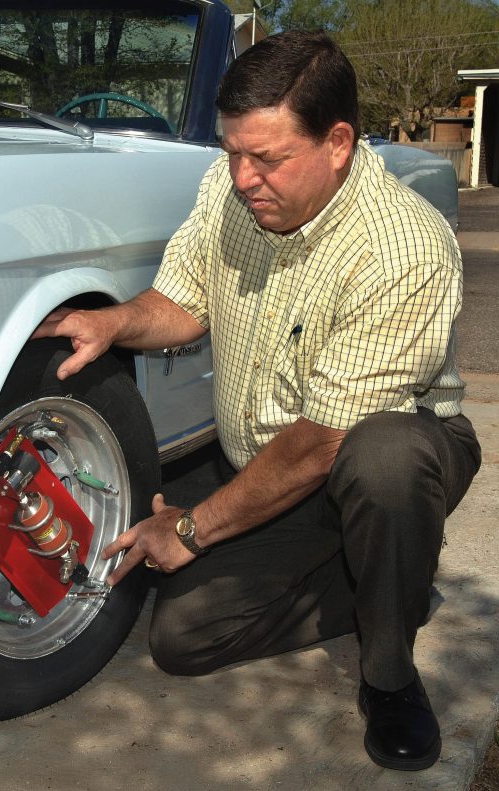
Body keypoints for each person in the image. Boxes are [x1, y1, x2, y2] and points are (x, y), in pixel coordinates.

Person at [33, 30, 480, 771]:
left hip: (378, 452)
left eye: (266, 158)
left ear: (338, 143)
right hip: (271, 456)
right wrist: (114, 321)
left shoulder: (404, 249)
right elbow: (183, 301)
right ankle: (388, 574)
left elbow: (324, 442)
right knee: (183, 639)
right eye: (232, 152)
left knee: (384, 459)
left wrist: (194, 527)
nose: (242, 177)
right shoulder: (229, 190)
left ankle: (390, 667)